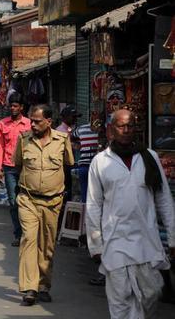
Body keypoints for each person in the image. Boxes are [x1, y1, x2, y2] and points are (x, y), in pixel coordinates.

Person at [86, 109, 175, 319]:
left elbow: (164, 200)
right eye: (121, 126)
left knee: (151, 294)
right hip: (115, 242)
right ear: (111, 130)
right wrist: (95, 244)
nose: (126, 130)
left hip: (146, 242)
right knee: (121, 301)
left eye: (130, 126)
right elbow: (93, 205)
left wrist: (172, 237)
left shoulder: (149, 157)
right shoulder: (100, 162)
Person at [14, 104, 74, 306]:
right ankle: (29, 288)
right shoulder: (23, 140)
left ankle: (43, 285)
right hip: (28, 199)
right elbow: (18, 166)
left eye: (37, 121)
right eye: (31, 120)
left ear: (49, 122)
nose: (33, 124)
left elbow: (67, 167)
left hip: (53, 201)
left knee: (47, 245)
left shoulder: (62, 140)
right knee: (29, 239)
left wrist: (65, 196)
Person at [0, 93, 31, 247]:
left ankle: (28, 232)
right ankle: (18, 234)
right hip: (9, 167)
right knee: (12, 200)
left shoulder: (30, 124)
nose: (12, 108)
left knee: (27, 200)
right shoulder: (3, 124)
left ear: (21, 107)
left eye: (16, 106)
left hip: (27, 167)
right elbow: (0, 146)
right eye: (11, 105)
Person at [56, 105, 80, 206]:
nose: (75, 119)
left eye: (75, 117)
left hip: (73, 164)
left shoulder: (73, 130)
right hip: (64, 166)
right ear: (65, 117)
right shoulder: (59, 131)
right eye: (72, 116)